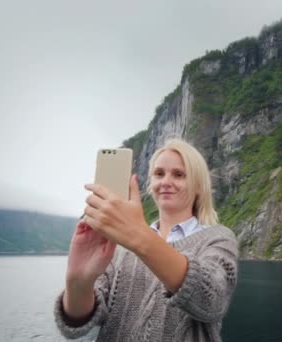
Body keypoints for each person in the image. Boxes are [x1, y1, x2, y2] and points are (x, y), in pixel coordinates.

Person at [54, 138, 239, 341]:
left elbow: (212, 298)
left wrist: (139, 236)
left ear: (197, 186)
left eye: (179, 175)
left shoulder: (219, 238)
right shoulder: (118, 246)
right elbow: (77, 323)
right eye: (159, 174)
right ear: (151, 183)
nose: (166, 181)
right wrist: (78, 281)